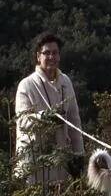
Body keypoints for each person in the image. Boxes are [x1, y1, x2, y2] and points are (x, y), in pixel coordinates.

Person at [15, 32, 85, 184]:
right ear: (38, 56)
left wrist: (79, 155)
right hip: (34, 165)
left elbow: (75, 122)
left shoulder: (66, 82)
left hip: (61, 162)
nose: (51, 57)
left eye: (55, 53)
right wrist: (44, 117)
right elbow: (22, 121)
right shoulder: (26, 85)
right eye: (47, 53)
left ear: (59, 56)